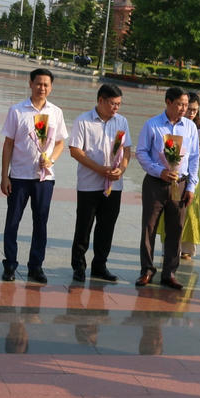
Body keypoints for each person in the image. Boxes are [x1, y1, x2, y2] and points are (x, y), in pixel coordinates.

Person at [0, 68, 67, 285]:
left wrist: (51, 160)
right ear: (30, 84)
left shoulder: (56, 112)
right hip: (18, 176)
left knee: (41, 222)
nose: (42, 88)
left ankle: (35, 266)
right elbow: (8, 144)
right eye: (38, 83)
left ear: (51, 87)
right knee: (13, 222)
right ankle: (10, 264)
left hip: (44, 178)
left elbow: (60, 143)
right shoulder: (17, 111)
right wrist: (4, 176)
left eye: (46, 84)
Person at [135, 87, 200, 289]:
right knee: (149, 227)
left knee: (176, 229)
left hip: (180, 185)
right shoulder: (152, 125)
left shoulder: (190, 127)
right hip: (156, 183)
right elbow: (141, 152)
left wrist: (191, 186)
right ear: (168, 102)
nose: (183, 109)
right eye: (180, 104)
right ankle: (147, 270)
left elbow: (194, 158)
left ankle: (170, 272)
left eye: (186, 105)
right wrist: (158, 170)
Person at [69, 83, 133, 284]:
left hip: (114, 185)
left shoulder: (121, 122)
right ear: (100, 101)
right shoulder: (83, 121)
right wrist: (99, 169)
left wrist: (121, 170)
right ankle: (79, 266)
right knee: (84, 226)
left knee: (107, 227)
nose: (116, 108)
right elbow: (75, 151)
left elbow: (127, 150)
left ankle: (100, 265)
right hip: (89, 184)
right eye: (113, 104)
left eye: (119, 104)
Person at [159, 92, 200, 259]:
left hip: (191, 178)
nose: (191, 113)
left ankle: (187, 248)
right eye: (189, 108)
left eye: (195, 110)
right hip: (171, 174)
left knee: (189, 213)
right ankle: (170, 246)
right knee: (171, 211)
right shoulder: (173, 125)